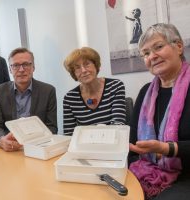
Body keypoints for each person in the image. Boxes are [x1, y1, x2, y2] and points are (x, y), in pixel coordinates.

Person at [129, 23, 190, 200]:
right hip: (148, 170)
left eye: (159, 47)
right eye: (146, 53)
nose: (152, 56)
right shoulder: (145, 91)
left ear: (178, 46)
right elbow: (133, 143)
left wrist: (167, 148)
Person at [0, 47, 58, 152]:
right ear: (10, 69)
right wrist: (2, 140)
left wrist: (33, 142)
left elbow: (52, 127)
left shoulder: (48, 91)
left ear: (33, 67)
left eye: (26, 64)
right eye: (16, 65)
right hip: (8, 148)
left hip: (37, 148)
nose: (21, 70)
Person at [63, 47, 126, 135]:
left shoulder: (115, 86)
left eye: (87, 64)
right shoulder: (70, 98)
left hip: (113, 143)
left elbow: (118, 124)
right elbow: (69, 134)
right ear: (74, 73)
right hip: (85, 147)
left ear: (96, 66)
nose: (83, 70)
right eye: (77, 68)